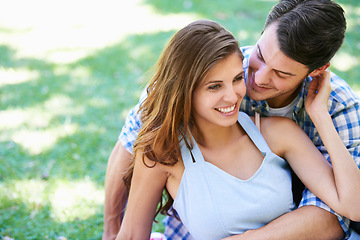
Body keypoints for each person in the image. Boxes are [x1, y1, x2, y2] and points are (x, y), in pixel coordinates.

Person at [102, 0, 360, 239]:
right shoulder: (226, 65)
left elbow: (349, 208)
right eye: (260, 56)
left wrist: (319, 115)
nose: (254, 81)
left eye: (281, 73)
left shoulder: (322, 111)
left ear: (316, 71)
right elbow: (131, 141)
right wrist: (110, 231)